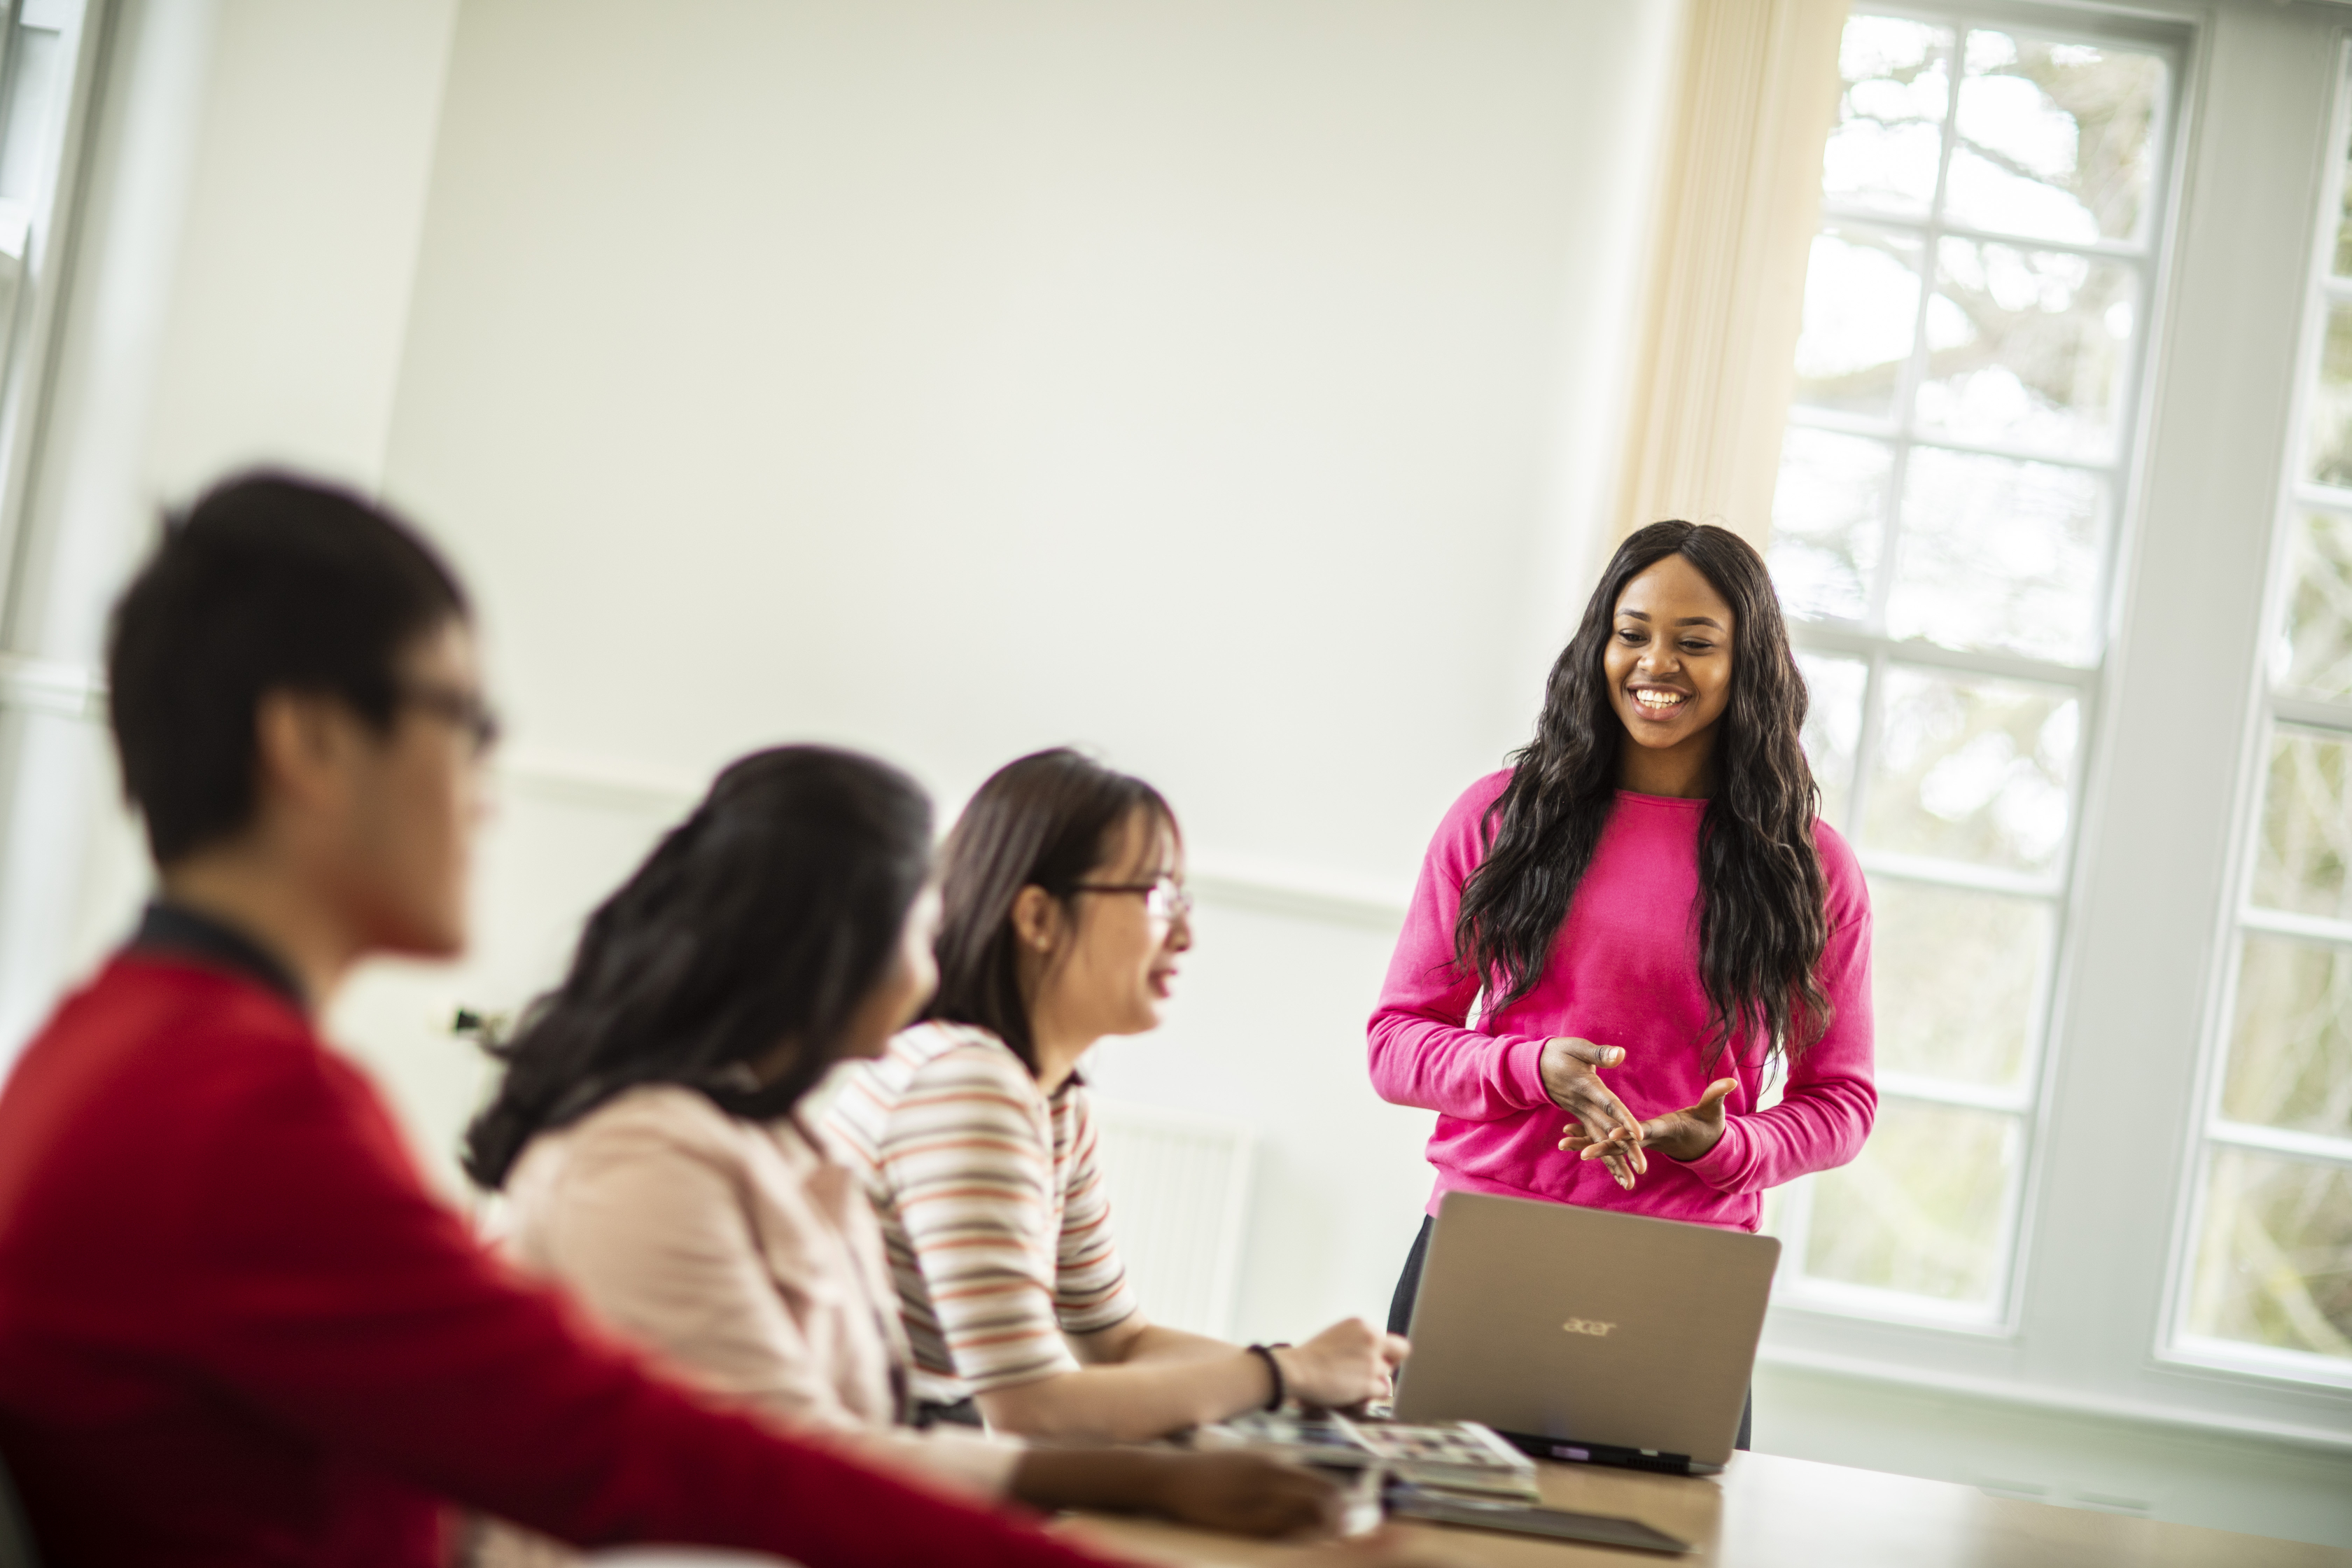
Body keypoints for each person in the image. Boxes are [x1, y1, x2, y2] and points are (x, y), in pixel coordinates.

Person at [0, 474, 1144, 1567]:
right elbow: (632, 1452)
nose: (488, 782)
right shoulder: (237, 1110)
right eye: (465, 719)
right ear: (309, 741)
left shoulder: (114, 1051)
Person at [461, 743, 1340, 1550]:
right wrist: (1179, 1458)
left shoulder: (771, 1126)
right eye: (923, 927)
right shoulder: (644, 1154)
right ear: (837, 944)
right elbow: (796, 1461)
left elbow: (850, 1433)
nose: (940, 959)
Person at [1366, 521, 1876, 1448]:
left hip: (1684, 1281)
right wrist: (1531, 1069)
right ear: (1599, 641)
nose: (1657, 663)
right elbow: (1397, 1046)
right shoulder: (1497, 819)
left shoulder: (1810, 867)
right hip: (1486, 1253)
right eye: (1633, 632)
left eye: (1695, 642)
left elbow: (1841, 1100)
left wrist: (1728, 1149)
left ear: (1747, 663)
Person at [825, 748, 1409, 1443]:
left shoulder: (1052, 1101)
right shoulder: (966, 1082)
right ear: (1038, 916)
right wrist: (1288, 1374)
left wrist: (1312, 1374)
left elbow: (1117, 1339)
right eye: (1157, 896)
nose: (1186, 935)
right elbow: (1031, 1406)